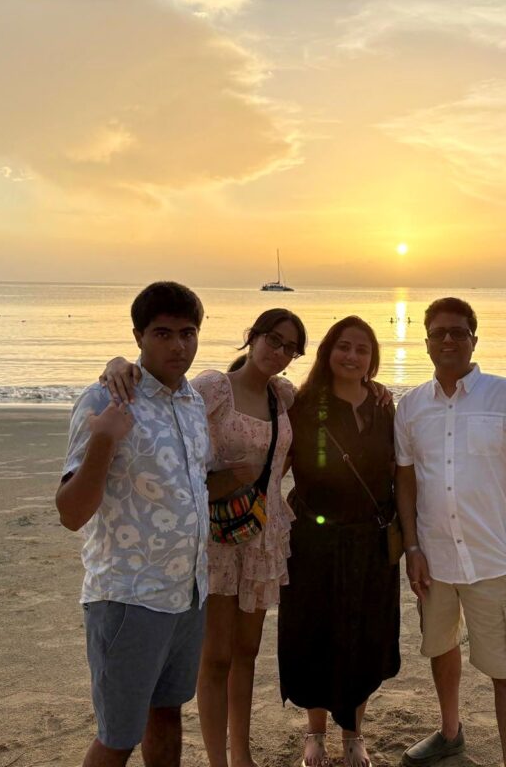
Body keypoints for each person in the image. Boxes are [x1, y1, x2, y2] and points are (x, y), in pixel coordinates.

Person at [102, 308, 305, 767]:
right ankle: (218, 760)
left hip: (264, 534)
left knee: (247, 653)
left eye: (290, 348)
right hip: (216, 534)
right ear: (252, 337)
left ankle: (242, 757)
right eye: (273, 340)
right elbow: (166, 407)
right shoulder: (214, 388)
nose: (279, 352)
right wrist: (119, 364)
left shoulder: (282, 396)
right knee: (215, 656)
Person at [395, 297, 506, 767]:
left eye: (459, 332)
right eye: (439, 332)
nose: (448, 339)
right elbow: (405, 479)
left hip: (492, 558)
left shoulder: (505, 395)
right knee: (441, 648)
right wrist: (411, 547)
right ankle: (450, 733)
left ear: (474, 340)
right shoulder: (411, 406)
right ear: (426, 343)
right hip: (435, 559)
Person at [56, 281, 210, 767]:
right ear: (138, 336)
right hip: (128, 595)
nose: (178, 346)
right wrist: (104, 441)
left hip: (187, 592)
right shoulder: (106, 399)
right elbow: (71, 512)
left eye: (188, 333)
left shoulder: (192, 402)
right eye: (163, 333)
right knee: (118, 735)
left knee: (167, 712)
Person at [279, 316, 399, 767]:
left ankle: (353, 733)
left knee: (364, 638)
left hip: (370, 541)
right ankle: (315, 733)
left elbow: (397, 473)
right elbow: (276, 463)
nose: (352, 356)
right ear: (328, 351)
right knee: (314, 633)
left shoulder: (383, 407)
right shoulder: (303, 404)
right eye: (343, 346)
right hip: (312, 540)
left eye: (362, 349)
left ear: (373, 359)